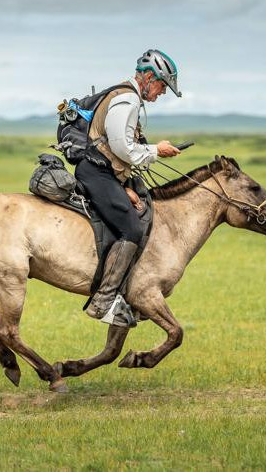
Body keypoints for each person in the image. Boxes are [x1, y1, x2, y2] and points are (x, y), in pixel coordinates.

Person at [75, 49, 182, 326]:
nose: (162, 93)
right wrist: (157, 151)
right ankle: (105, 301)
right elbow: (123, 148)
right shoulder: (127, 99)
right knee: (131, 228)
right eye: (161, 86)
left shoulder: (126, 97)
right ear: (148, 77)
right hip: (97, 173)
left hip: (104, 172)